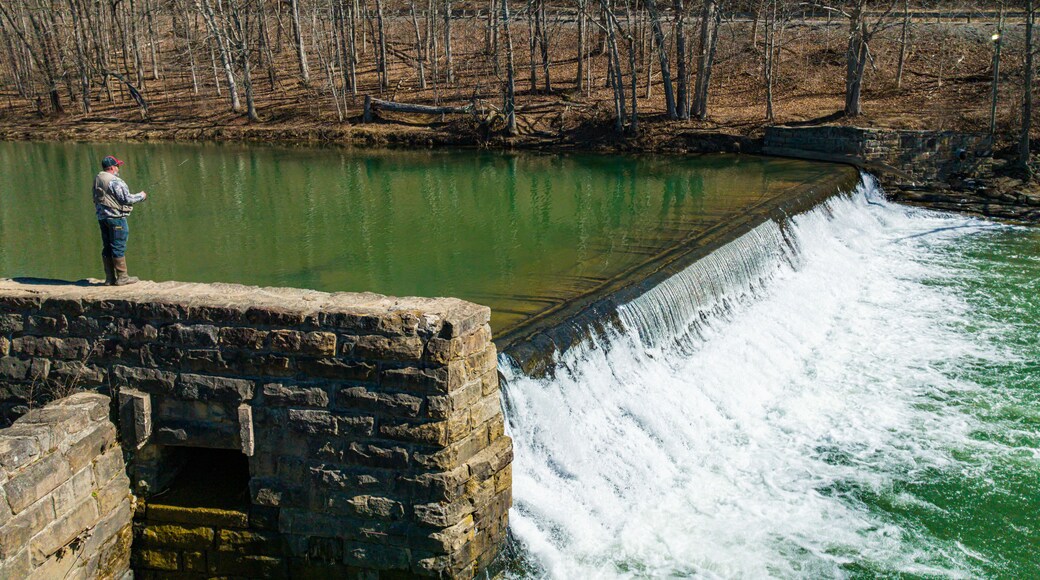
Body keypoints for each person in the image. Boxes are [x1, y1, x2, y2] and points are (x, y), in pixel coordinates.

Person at [93, 155, 147, 286]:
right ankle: (122, 277)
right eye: (117, 166)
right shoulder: (115, 181)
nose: (118, 168)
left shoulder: (98, 178)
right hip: (116, 219)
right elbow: (126, 199)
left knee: (107, 247)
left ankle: (109, 278)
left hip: (103, 218)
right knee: (118, 246)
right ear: (111, 167)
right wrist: (141, 196)